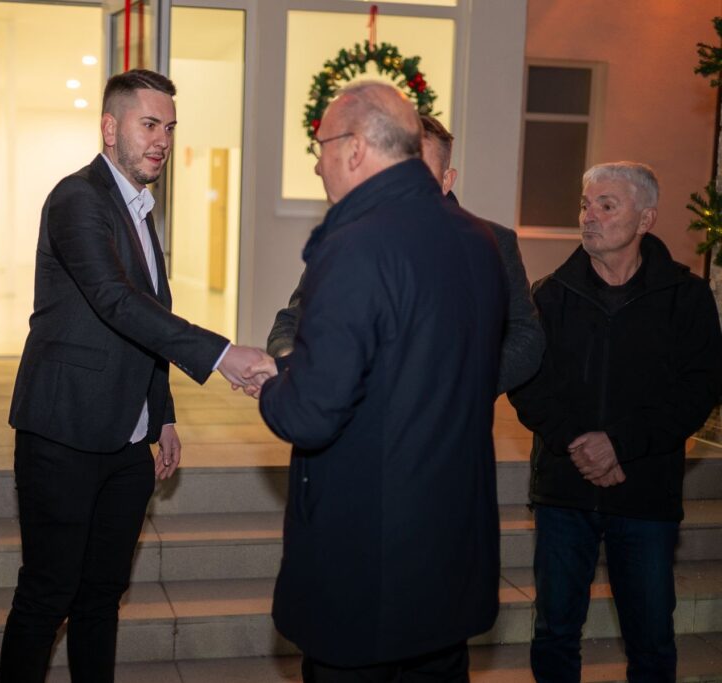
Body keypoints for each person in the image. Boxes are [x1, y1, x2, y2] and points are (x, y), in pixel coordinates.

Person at [1, 69, 266, 682]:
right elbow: (115, 301)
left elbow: (148, 317)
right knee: (47, 594)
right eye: (149, 125)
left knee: (102, 595)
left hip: (128, 440)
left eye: (169, 128)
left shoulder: (140, 209)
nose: (162, 141)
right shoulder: (77, 198)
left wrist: (161, 413)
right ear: (109, 127)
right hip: (63, 431)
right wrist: (222, 354)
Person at [252, 82, 507, 681]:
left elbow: (311, 414)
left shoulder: (356, 245)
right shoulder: (477, 239)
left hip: (369, 559)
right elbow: (412, 368)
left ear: (356, 148)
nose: (317, 165)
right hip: (448, 549)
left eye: (320, 147)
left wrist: (274, 382)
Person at [508, 162, 722, 682]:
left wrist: (619, 444)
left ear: (645, 219)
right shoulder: (548, 294)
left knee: (651, 640)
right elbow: (527, 382)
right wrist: (579, 444)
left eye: (607, 206)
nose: (589, 216)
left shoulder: (685, 296)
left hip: (644, 493)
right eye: (586, 205)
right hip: (564, 491)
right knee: (554, 633)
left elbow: (698, 390)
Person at [267, 115, 544, 395]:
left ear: (446, 180)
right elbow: (292, 322)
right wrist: (293, 363)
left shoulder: (493, 244)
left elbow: (526, 336)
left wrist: (466, 380)